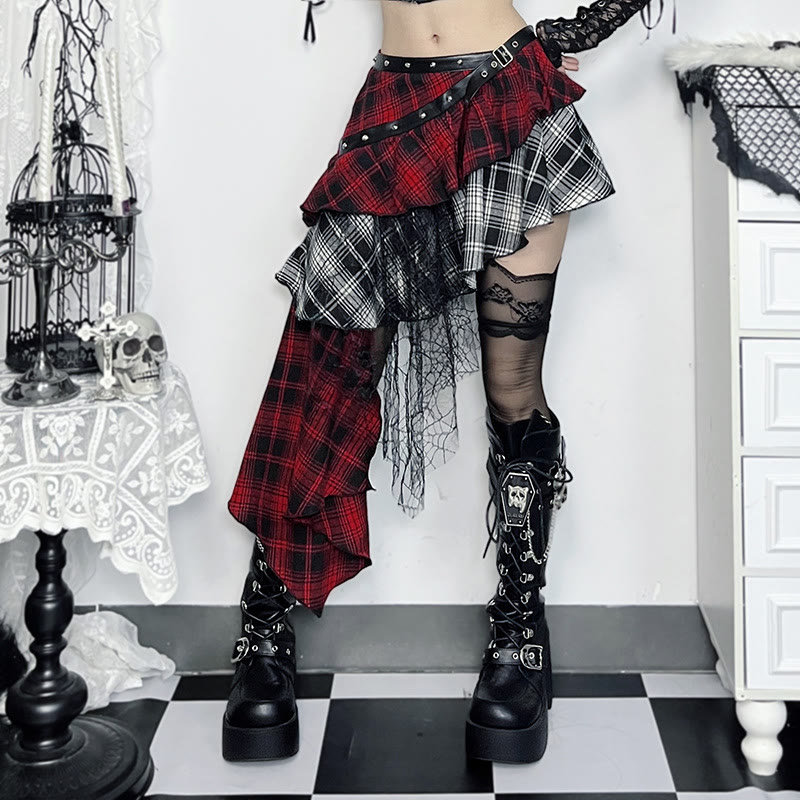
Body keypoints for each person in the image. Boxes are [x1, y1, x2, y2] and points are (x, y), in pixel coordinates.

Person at [224, 0, 672, 765]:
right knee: (330, 364)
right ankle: (266, 618)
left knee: (512, 387)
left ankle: (519, 630)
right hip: (395, 109)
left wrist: (588, 27)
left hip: (508, 98)